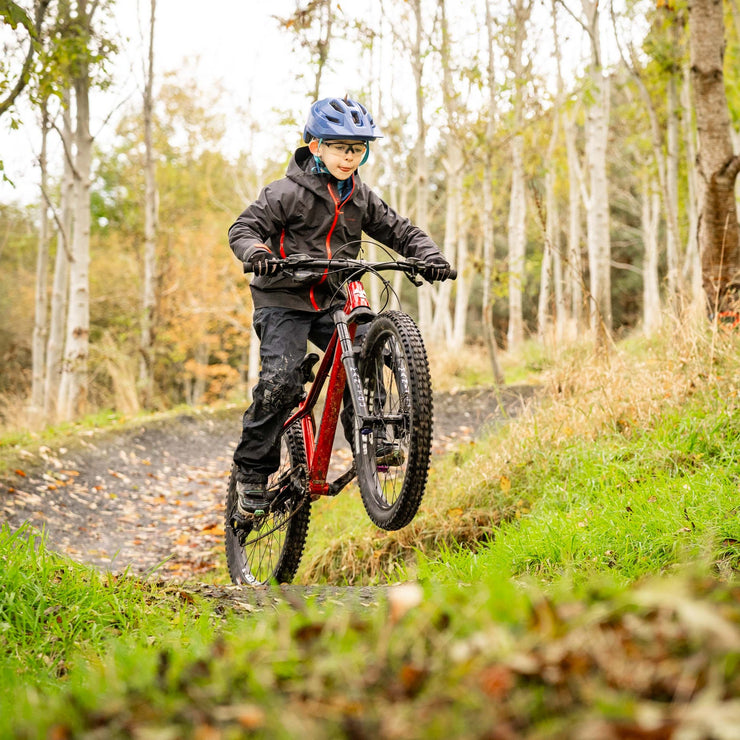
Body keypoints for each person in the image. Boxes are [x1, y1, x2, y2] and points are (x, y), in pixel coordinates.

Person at [227, 96, 451, 521]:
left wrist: (429, 255)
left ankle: (373, 439)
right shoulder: (284, 193)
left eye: (358, 148)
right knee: (283, 379)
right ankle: (251, 473)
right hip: (284, 299)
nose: (350, 157)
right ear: (316, 147)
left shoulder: (360, 196)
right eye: (340, 147)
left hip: (332, 298)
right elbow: (244, 227)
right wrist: (256, 251)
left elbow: (399, 230)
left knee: (368, 353)